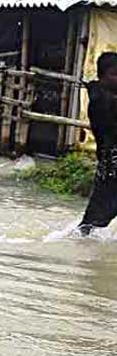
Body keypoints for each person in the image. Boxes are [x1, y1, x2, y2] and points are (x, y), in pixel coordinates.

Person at [78, 52, 117, 235]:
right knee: (93, 222)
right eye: (115, 74)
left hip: (110, 166)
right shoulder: (99, 100)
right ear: (102, 75)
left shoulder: (104, 95)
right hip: (111, 168)